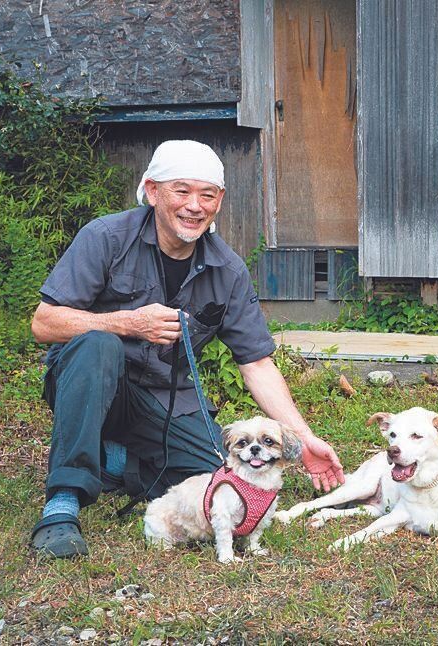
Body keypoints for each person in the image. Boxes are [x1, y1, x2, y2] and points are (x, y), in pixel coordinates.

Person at [29, 140, 344, 558]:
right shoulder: (105, 237)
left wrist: (303, 438)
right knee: (98, 344)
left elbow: (257, 363)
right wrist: (125, 322)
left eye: (207, 195)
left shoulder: (227, 269)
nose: (194, 206)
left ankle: (115, 463)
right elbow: (44, 322)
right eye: (181, 191)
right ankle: (62, 505)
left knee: (216, 478)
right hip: (94, 383)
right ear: (153, 191)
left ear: (220, 201)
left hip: (164, 401)